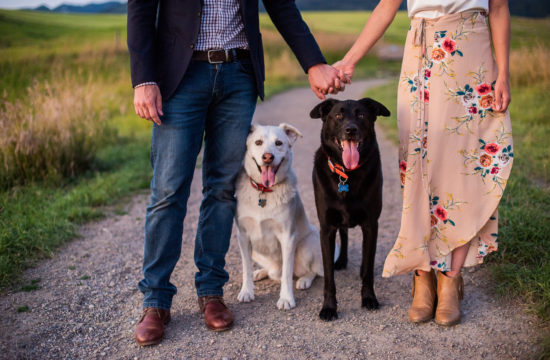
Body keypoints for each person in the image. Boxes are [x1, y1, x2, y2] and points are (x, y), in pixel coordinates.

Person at [128, 0, 347, 346]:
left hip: (238, 74)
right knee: (168, 191)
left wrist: (314, 62)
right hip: (179, 75)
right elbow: (141, 6)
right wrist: (143, 77)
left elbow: (282, 6)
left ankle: (211, 291)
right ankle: (156, 301)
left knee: (221, 189)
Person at [333, 0, 513, 325]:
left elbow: (499, 6)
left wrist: (503, 73)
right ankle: (422, 275)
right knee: (416, 164)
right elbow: (387, 6)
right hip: (419, 49)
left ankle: (450, 278)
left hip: (470, 47)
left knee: (462, 165)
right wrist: (348, 61)